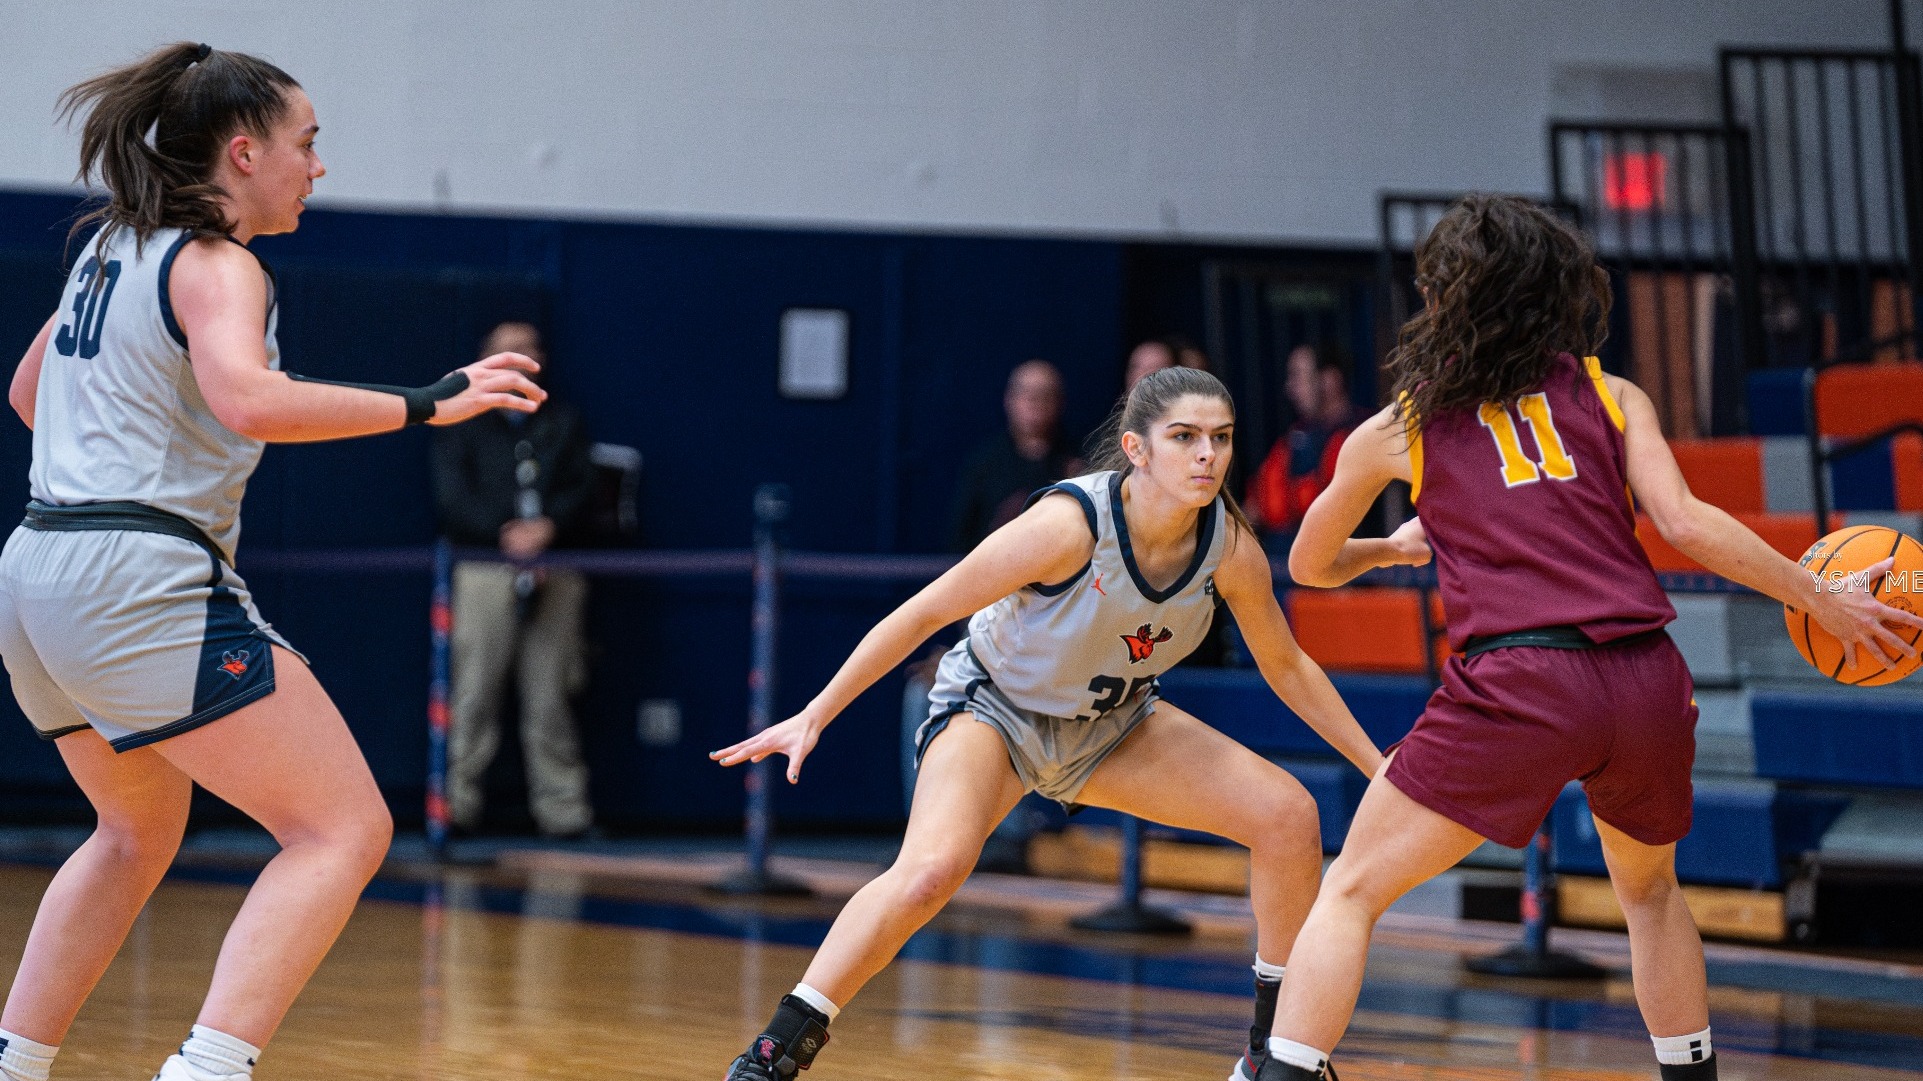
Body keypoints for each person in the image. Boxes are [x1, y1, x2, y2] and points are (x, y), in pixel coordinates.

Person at [1254, 195, 1923, 1081]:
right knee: (1649, 894)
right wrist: (1819, 597)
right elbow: (1684, 522)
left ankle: (1280, 1074)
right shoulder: (1611, 394)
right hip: (1642, 676)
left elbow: (1307, 561)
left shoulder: (1401, 425)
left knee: (1351, 888)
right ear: (1556, 289)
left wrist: (1390, 546)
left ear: (1445, 297)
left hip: (1521, 679)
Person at [0, 43, 544, 1081]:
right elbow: (250, 399)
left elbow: (29, 396)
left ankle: (15, 1063)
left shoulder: (111, 246)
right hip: (136, 570)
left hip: (33, 570)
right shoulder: (219, 264)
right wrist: (430, 400)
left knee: (130, 831)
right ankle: (207, 1070)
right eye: (308, 144)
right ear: (244, 154)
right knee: (342, 828)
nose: (318, 167)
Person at [712, 366, 1384, 1081]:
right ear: (1136, 447)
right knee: (929, 872)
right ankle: (774, 1051)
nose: (1205, 455)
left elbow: (1286, 667)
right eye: (1183, 437)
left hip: (1111, 724)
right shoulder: (1068, 526)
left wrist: (1378, 767)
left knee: (1287, 816)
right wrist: (817, 713)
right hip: (994, 711)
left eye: (1219, 438)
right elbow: (925, 612)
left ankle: (1271, 1054)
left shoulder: (1227, 546)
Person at [432, 320, 597, 840]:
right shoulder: (461, 418)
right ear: (484, 358)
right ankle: (455, 808)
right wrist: (504, 534)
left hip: (557, 567)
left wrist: (548, 529)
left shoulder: (564, 421)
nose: (518, 358)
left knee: (553, 691)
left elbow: (584, 489)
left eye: (528, 349)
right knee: (473, 688)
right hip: (485, 569)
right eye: (506, 350)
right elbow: (452, 495)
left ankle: (564, 814)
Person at [946, 359, 1077, 552]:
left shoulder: (1080, 462)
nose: (1035, 402)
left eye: (1044, 394)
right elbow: (958, 543)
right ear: (1009, 399)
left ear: (1060, 401)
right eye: (1026, 393)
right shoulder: (984, 465)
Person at [1245, 346, 1353, 552]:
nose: (1290, 388)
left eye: (1298, 377)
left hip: (1349, 569)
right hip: (1284, 565)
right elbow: (1256, 504)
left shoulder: (1358, 435)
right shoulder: (1294, 438)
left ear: (1329, 380)